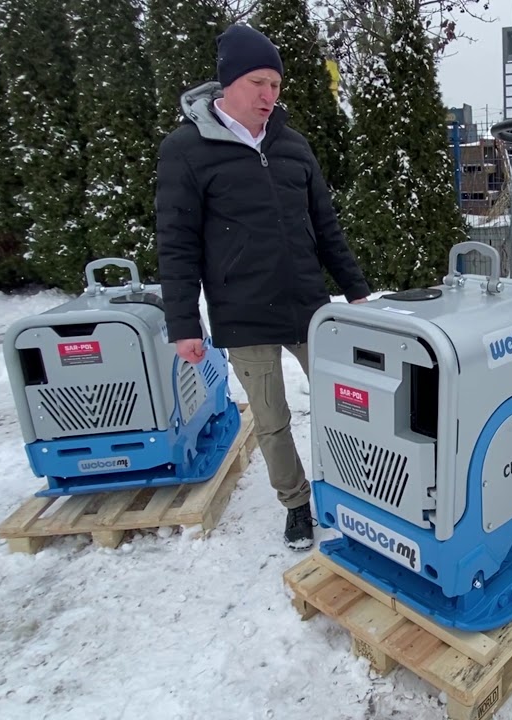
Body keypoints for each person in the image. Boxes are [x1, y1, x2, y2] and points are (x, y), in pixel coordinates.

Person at [155, 23, 371, 551]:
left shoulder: (292, 146)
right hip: (243, 311)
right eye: (258, 83)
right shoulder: (186, 149)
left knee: (350, 405)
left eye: (276, 84)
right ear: (228, 83)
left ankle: (359, 493)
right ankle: (296, 505)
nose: (269, 96)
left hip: (307, 306)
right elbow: (176, 242)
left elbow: (326, 225)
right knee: (271, 419)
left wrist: (356, 290)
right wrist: (184, 322)